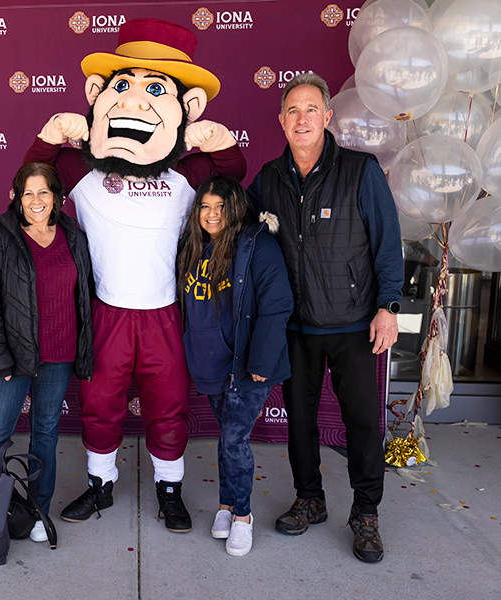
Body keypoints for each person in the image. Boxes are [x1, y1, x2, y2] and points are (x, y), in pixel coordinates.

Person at [24, 17, 246, 534]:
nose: (136, 104)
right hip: (106, 310)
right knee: (100, 405)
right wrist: (47, 137)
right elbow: (31, 183)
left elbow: (232, 177)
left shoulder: (184, 176)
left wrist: (223, 142)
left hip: (166, 311)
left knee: (169, 407)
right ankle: (101, 485)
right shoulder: (84, 174)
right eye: (122, 87)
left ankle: (169, 490)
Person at [247, 72, 404, 563]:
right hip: (295, 327)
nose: (301, 119)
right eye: (292, 110)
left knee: (360, 423)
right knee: (300, 424)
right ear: (281, 120)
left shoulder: (361, 170)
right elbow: (245, 238)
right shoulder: (268, 178)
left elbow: (387, 241)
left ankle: (366, 513)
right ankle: (309, 499)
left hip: (355, 324)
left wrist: (389, 305)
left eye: (310, 109)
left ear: (327, 116)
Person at [0, 162, 94, 543]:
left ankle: (39, 511)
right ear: (17, 199)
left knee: (46, 433)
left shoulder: (73, 235)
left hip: (59, 354)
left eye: (44, 192)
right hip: (12, 357)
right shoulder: (0, 237)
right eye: (28, 193)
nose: (36, 201)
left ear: (56, 197)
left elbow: (84, 295)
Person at [177, 175, 292, 556]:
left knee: (234, 438)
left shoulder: (258, 245)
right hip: (209, 360)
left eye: (220, 207)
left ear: (236, 209)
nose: (212, 215)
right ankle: (226, 505)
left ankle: (242, 517)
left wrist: (261, 360)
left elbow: (277, 306)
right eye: (205, 207)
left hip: (245, 364)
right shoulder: (193, 246)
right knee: (227, 436)